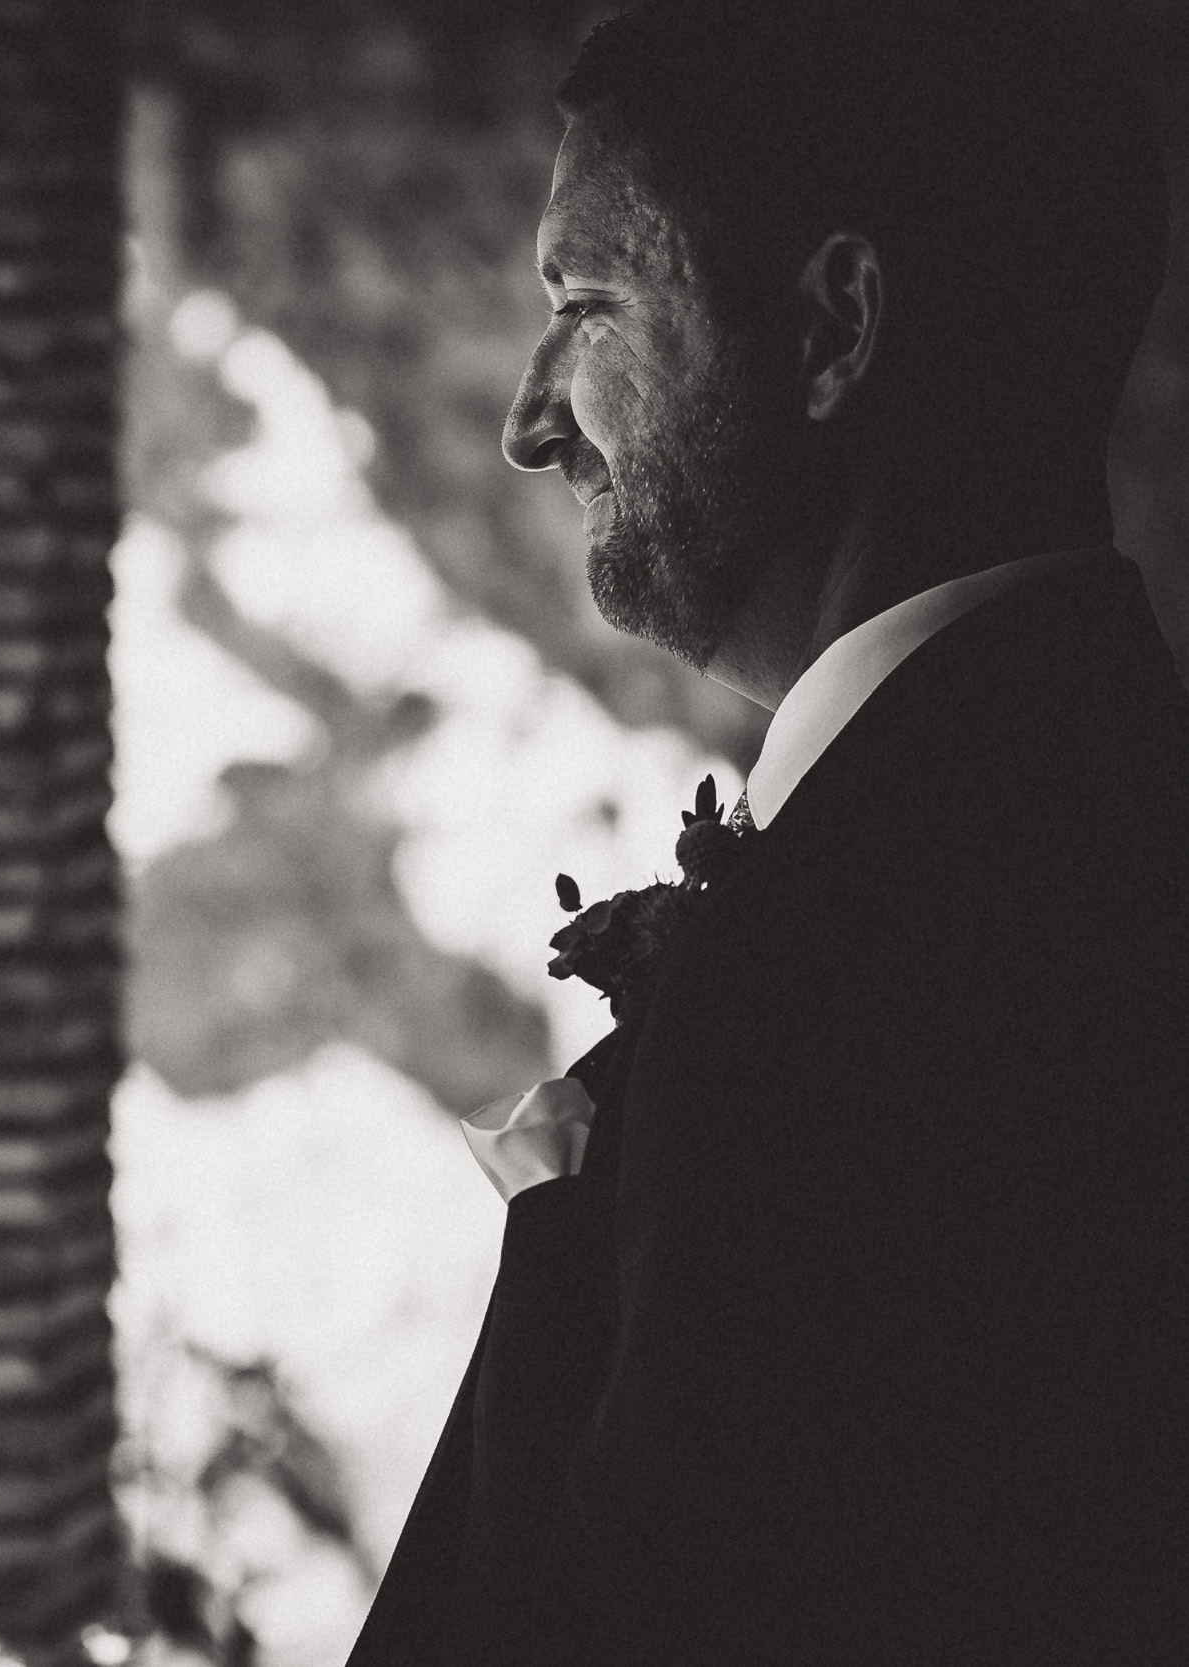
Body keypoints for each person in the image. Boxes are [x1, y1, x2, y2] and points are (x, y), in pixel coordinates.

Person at [349, 2, 1189, 1661]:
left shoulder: (861, 967)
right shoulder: (1099, 804)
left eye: (586, 304)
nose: (530, 419)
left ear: (832, 330)